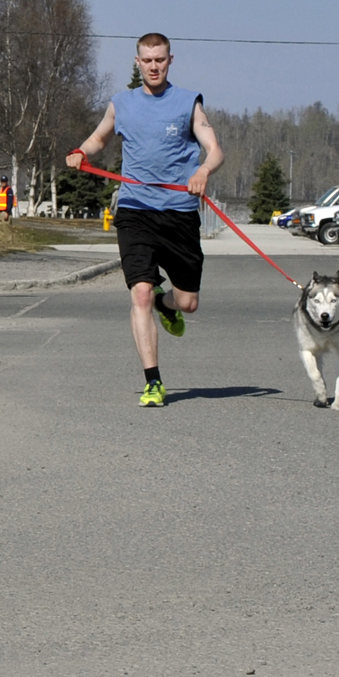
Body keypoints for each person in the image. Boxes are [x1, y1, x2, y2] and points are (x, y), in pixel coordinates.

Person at [66, 32, 223, 406]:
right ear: (137, 62)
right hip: (135, 210)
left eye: (160, 60)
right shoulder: (121, 103)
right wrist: (80, 151)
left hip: (179, 214)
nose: (154, 66)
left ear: (170, 60)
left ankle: (165, 304)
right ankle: (153, 381)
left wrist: (202, 172)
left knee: (188, 303)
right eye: (147, 60)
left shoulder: (189, 103)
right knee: (139, 291)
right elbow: (99, 138)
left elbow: (215, 150)